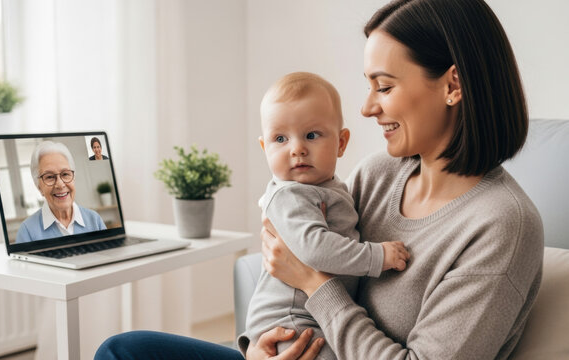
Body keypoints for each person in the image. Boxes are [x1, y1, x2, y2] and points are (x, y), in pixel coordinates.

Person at [95, 0, 543, 359]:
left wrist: (315, 285)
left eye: (383, 87)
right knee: (123, 349)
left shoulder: (501, 224)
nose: (368, 108)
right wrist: (259, 345)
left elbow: (313, 274)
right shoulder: (379, 174)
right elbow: (291, 266)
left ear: (453, 85)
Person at [237, 72, 410, 360]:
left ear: (341, 143)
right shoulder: (290, 195)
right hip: (292, 322)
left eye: (312, 135)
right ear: (265, 148)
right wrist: (376, 256)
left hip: (317, 316)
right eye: (280, 138)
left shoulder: (329, 187)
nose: (297, 149)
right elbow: (315, 249)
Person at [16, 141, 107, 243]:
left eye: (65, 174)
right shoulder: (27, 231)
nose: (60, 184)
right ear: (39, 187)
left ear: (74, 178)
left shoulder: (94, 220)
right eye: (49, 177)